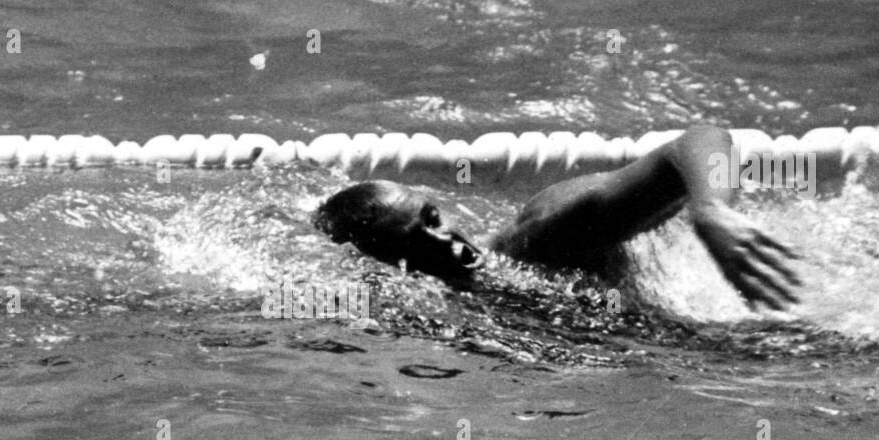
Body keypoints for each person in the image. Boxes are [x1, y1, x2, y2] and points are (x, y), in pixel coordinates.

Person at [312, 124, 801, 311]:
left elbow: (701, 141)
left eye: (434, 218)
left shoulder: (541, 236)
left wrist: (711, 211)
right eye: (418, 250)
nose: (451, 243)